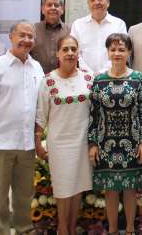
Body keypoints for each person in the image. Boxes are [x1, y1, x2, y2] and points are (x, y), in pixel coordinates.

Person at [0, 21, 44, 235]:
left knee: (25, 196)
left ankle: (24, 230)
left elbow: (40, 106)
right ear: (11, 37)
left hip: (26, 144)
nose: (26, 40)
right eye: (21, 35)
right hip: (0, 144)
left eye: (30, 36)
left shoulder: (37, 67)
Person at [88, 33, 142, 235]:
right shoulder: (99, 81)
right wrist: (93, 144)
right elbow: (94, 116)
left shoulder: (139, 79)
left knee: (130, 188)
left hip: (131, 142)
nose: (117, 53)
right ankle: (113, 230)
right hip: (105, 143)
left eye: (121, 49)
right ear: (107, 52)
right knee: (111, 189)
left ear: (129, 52)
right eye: (113, 49)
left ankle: (130, 229)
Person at [35, 36, 93, 235]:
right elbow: (41, 115)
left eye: (73, 49)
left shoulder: (88, 77)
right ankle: (62, 227)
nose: (70, 53)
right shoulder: (48, 81)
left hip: (83, 141)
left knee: (78, 185)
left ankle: (72, 225)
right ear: (57, 53)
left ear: (79, 53)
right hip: (60, 143)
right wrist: (38, 143)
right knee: (63, 186)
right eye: (65, 49)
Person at [71, 0, 128, 73]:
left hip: (112, 76)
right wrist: (89, 73)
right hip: (84, 77)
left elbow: (121, 50)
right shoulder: (78, 25)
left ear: (108, 2)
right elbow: (75, 52)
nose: (96, 2)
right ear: (88, 4)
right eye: (92, 0)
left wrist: (103, 73)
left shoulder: (119, 24)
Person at [30, 0, 72, 74]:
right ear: (42, 9)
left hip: (64, 80)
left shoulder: (70, 30)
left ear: (62, 10)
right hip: (38, 80)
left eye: (56, 5)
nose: (53, 8)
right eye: (49, 5)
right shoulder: (33, 30)